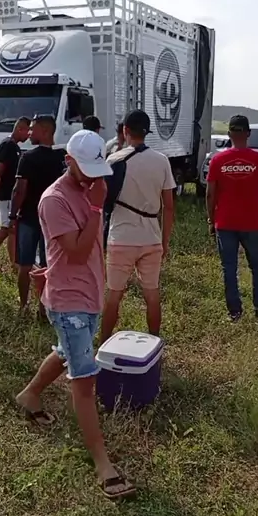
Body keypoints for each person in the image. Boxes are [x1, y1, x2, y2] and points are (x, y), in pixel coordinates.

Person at [16, 129, 136, 500]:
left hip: (89, 293)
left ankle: (29, 395)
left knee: (66, 351)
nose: (92, 177)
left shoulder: (91, 187)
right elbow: (79, 251)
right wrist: (98, 208)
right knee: (84, 380)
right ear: (68, 161)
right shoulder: (55, 200)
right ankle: (103, 465)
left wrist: (96, 201)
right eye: (85, 169)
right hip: (69, 301)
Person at [100, 110, 175, 343]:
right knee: (152, 294)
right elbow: (169, 207)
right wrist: (164, 241)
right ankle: (155, 341)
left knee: (114, 295)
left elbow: (102, 203)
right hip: (151, 237)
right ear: (146, 132)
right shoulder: (162, 161)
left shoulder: (113, 160)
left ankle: (103, 343)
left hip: (121, 237)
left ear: (125, 131)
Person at [206, 114, 258, 323]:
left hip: (225, 222)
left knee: (229, 268)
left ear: (229, 134)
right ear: (248, 134)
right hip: (250, 224)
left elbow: (210, 194)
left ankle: (234, 312)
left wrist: (211, 220)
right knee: (256, 266)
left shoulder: (218, 160)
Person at [9, 115, 65, 314]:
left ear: (45, 131)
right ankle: (44, 307)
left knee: (24, 264)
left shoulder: (28, 158)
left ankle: (23, 305)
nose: (30, 132)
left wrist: (12, 215)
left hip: (29, 217)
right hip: (52, 220)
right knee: (48, 264)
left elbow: (19, 190)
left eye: (33, 129)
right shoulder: (62, 158)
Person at [0, 117, 31, 276]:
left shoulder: (14, 146)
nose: (29, 135)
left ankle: (13, 264)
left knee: (12, 230)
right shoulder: (8, 145)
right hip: (5, 194)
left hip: (11, 194)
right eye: (27, 131)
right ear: (20, 129)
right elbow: (0, 168)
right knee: (5, 229)